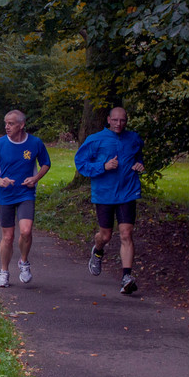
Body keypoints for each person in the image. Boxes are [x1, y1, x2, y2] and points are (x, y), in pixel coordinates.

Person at [74, 107, 145, 295]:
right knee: (105, 236)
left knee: (126, 234)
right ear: (108, 119)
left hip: (128, 192)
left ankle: (126, 277)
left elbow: (138, 155)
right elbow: (81, 163)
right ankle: (97, 251)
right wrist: (103, 166)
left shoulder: (134, 138)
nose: (119, 124)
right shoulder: (95, 140)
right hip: (105, 193)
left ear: (127, 121)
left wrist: (140, 164)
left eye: (122, 120)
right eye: (115, 120)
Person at [0, 110, 50, 288]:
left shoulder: (35, 143)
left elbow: (46, 163)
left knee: (26, 231)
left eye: (11, 123)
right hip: (6, 194)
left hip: (26, 193)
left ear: (21, 125)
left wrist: (35, 179)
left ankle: (24, 262)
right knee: (8, 237)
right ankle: (4, 272)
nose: (7, 127)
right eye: (6, 123)